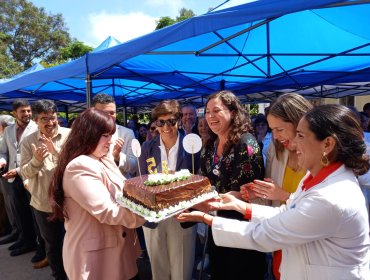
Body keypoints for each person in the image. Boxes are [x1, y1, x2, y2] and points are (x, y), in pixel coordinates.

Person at [178, 104, 370, 280]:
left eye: (301, 135)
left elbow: (266, 235)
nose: (294, 142)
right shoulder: (317, 180)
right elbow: (286, 213)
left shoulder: (330, 198)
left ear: (327, 144)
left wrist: (208, 219)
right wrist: (240, 205)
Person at [49, 107, 145, 280]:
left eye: (111, 135)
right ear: (88, 135)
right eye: (105, 135)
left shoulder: (103, 157)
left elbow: (125, 190)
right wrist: (148, 213)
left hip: (118, 252)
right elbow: (107, 210)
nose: (110, 141)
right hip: (97, 259)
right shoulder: (80, 165)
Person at [199, 90, 267, 280]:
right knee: (219, 271)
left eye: (216, 111)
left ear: (233, 112)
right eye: (207, 111)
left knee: (241, 273)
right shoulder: (209, 146)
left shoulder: (246, 142)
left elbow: (246, 192)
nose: (210, 116)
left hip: (243, 227)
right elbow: (204, 182)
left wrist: (206, 202)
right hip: (217, 223)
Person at [244, 93, 313, 279]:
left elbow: (317, 208)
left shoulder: (319, 156)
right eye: (271, 129)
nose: (274, 135)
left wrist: (283, 195)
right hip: (280, 242)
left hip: (308, 249)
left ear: (300, 122)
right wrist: (254, 194)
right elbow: (270, 196)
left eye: (280, 129)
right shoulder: (276, 147)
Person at [139, 100, 198, 280]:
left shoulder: (192, 147)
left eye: (171, 121)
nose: (166, 126)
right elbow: (141, 182)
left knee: (182, 271)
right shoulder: (147, 148)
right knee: (159, 271)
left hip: (182, 215)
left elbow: (200, 180)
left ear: (179, 120)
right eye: (161, 122)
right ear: (155, 124)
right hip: (154, 217)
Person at [20, 99, 69, 279]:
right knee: (53, 245)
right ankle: (59, 276)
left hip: (70, 201)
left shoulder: (69, 135)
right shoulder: (28, 142)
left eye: (53, 118)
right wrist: (36, 161)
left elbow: (79, 165)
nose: (50, 123)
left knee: (74, 243)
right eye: (44, 119)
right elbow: (24, 172)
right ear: (35, 120)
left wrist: (56, 152)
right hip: (43, 203)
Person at [0, 100, 37, 257]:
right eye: (23, 111)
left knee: (34, 213)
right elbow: (3, 151)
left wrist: (17, 170)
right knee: (20, 211)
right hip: (12, 178)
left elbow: (38, 157)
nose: (27, 114)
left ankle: (37, 244)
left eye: (28, 111)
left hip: (31, 177)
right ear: (14, 113)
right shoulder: (8, 130)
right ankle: (25, 239)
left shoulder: (36, 128)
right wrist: (2, 159)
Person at [92, 93, 137, 177]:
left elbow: (134, 166)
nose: (109, 117)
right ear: (93, 112)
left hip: (120, 185)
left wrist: (118, 157)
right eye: (104, 113)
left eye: (112, 113)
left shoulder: (127, 133)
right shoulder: (86, 133)